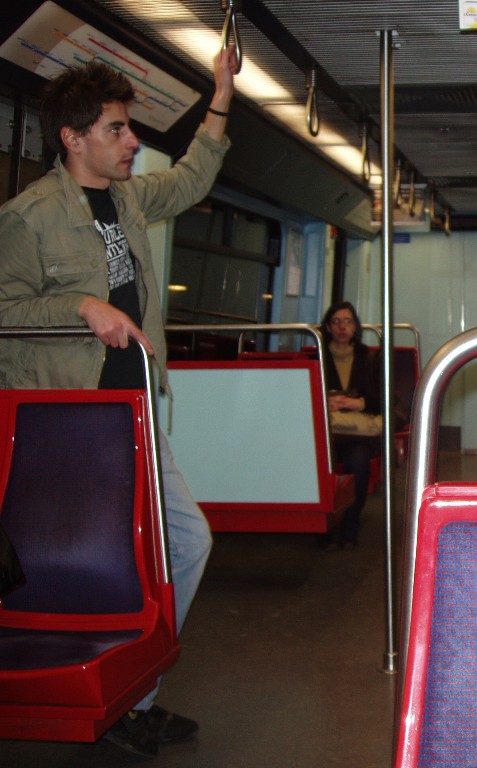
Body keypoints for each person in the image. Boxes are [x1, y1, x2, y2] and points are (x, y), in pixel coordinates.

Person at [0, 49, 238, 758]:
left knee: (186, 543)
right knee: (70, 567)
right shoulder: (27, 218)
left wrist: (221, 94)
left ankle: (134, 697)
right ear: (72, 138)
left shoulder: (128, 198)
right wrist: (80, 305)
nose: (132, 140)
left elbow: (193, 177)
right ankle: (101, 702)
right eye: (116, 129)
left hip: (133, 415)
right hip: (66, 422)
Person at [320, 301, 382, 551]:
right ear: (328, 327)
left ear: (355, 326)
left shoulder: (370, 358)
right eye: (336, 322)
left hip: (357, 432)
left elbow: (383, 399)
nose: (342, 327)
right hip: (325, 432)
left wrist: (357, 403)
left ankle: (350, 526)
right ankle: (325, 527)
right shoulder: (318, 355)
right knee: (319, 469)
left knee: (358, 465)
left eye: (347, 322)